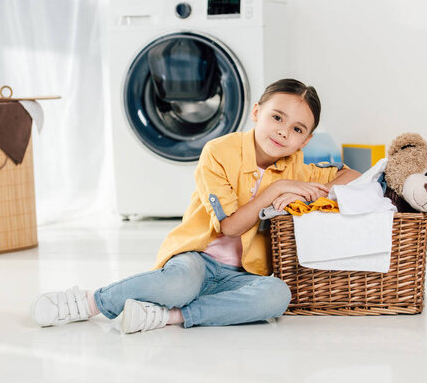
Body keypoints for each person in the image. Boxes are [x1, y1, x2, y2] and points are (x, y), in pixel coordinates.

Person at [31, 78, 361, 333]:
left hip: (243, 272)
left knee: (277, 296)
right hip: (197, 258)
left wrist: (314, 192)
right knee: (178, 284)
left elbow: (354, 174)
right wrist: (276, 190)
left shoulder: (296, 165)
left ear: (305, 141)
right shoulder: (219, 151)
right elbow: (230, 226)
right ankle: (90, 301)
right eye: (277, 117)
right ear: (257, 112)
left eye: (297, 129)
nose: (283, 132)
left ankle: (169, 316)